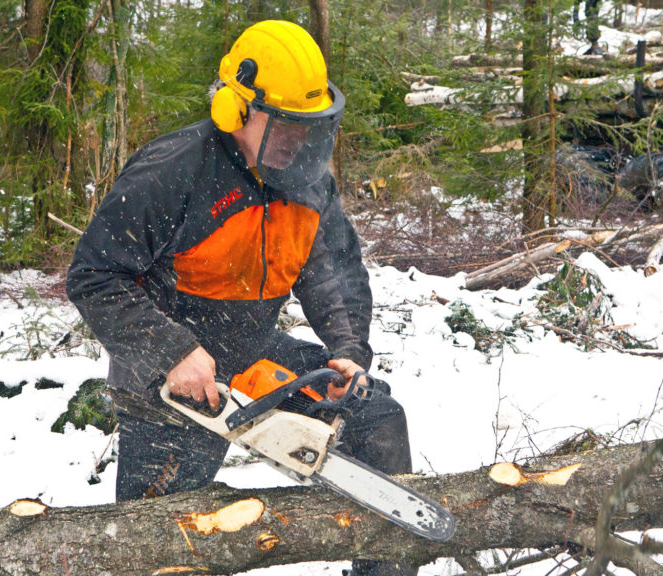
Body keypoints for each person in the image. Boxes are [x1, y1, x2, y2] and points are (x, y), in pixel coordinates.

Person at [66, 20, 415, 575]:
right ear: (238, 110)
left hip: (250, 351)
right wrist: (172, 351)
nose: (297, 142)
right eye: (286, 126)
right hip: (167, 383)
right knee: (166, 548)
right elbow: (94, 276)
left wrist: (349, 350)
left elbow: (333, 272)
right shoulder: (173, 170)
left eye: (308, 127)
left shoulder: (307, 183)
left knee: (375, 419)